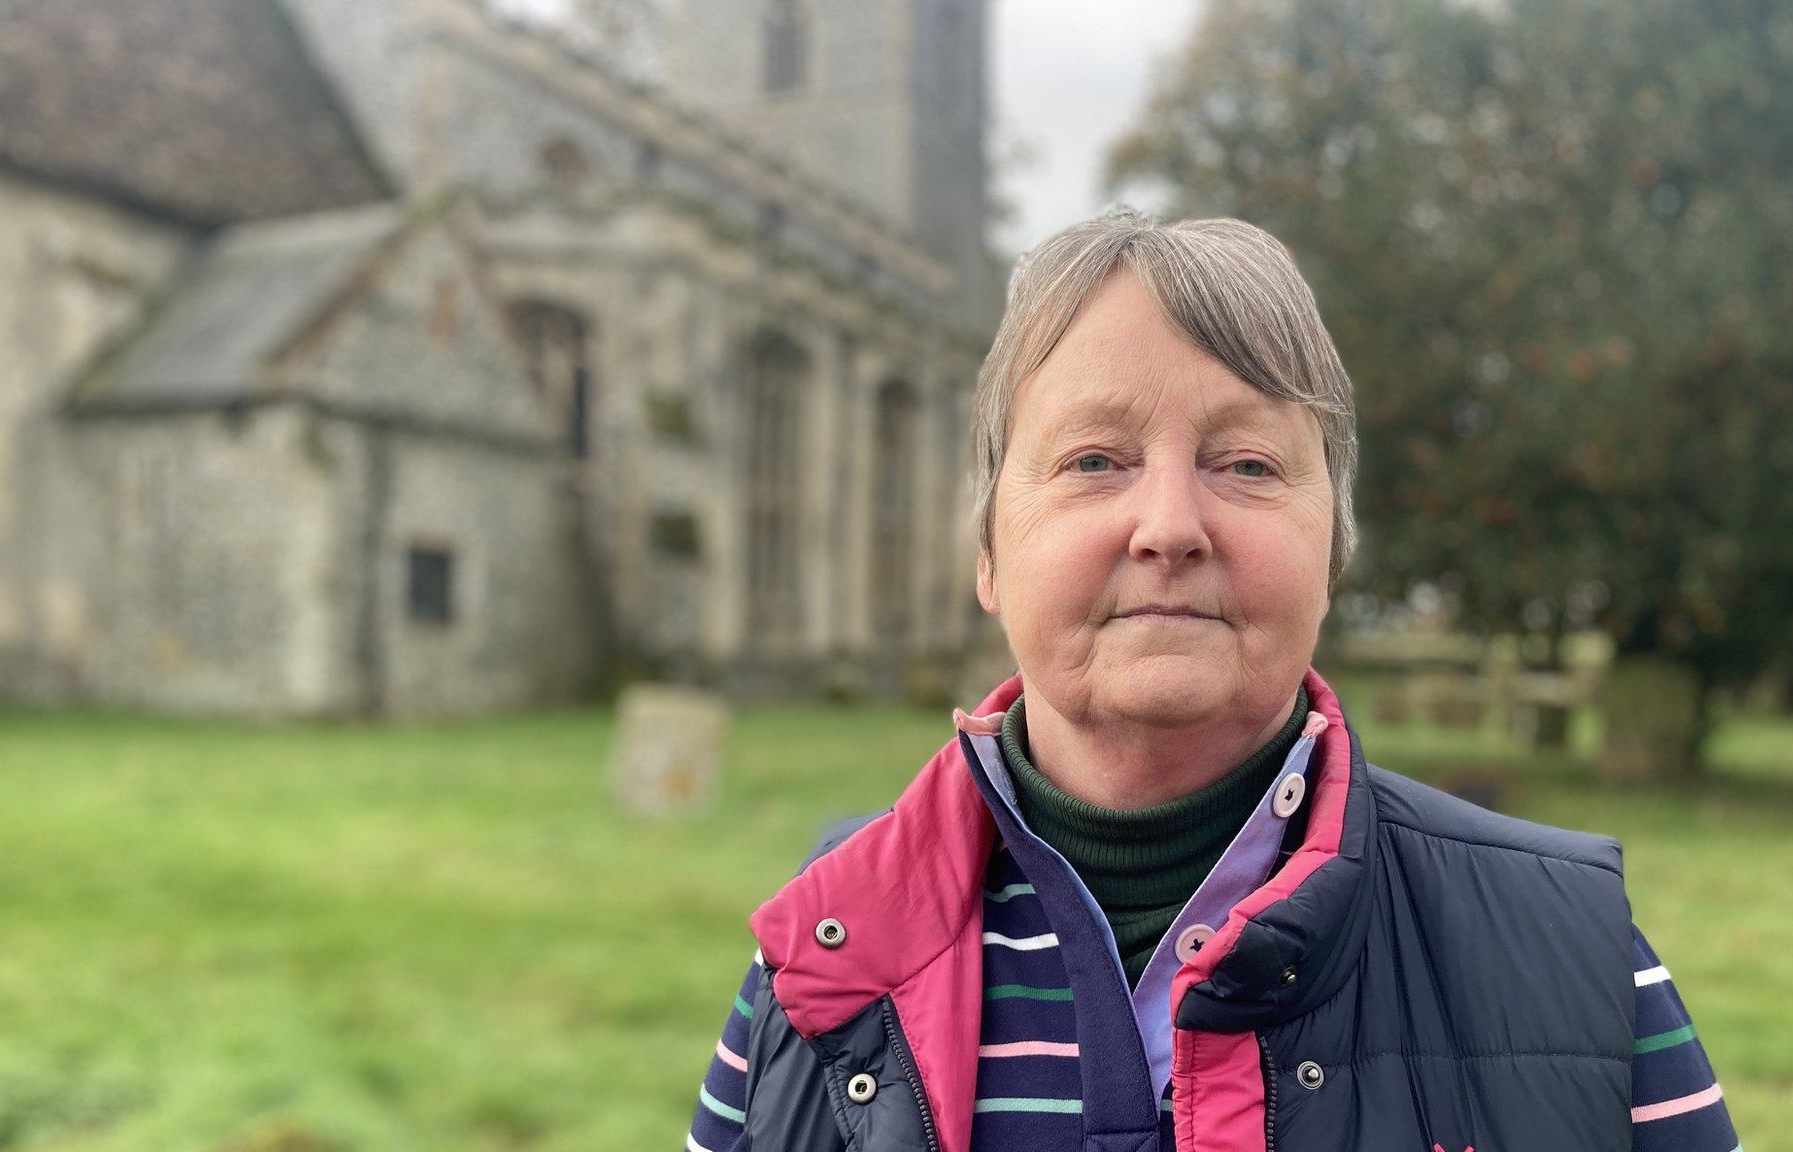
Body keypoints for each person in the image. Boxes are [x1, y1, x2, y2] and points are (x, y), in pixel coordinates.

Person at [683, 211, 1736, 1152]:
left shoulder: (1567, 957)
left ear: (1331, 548)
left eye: (1246, 465)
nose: (1169, 528)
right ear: (988, 555)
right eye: (1093, 460)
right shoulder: (818, 960)